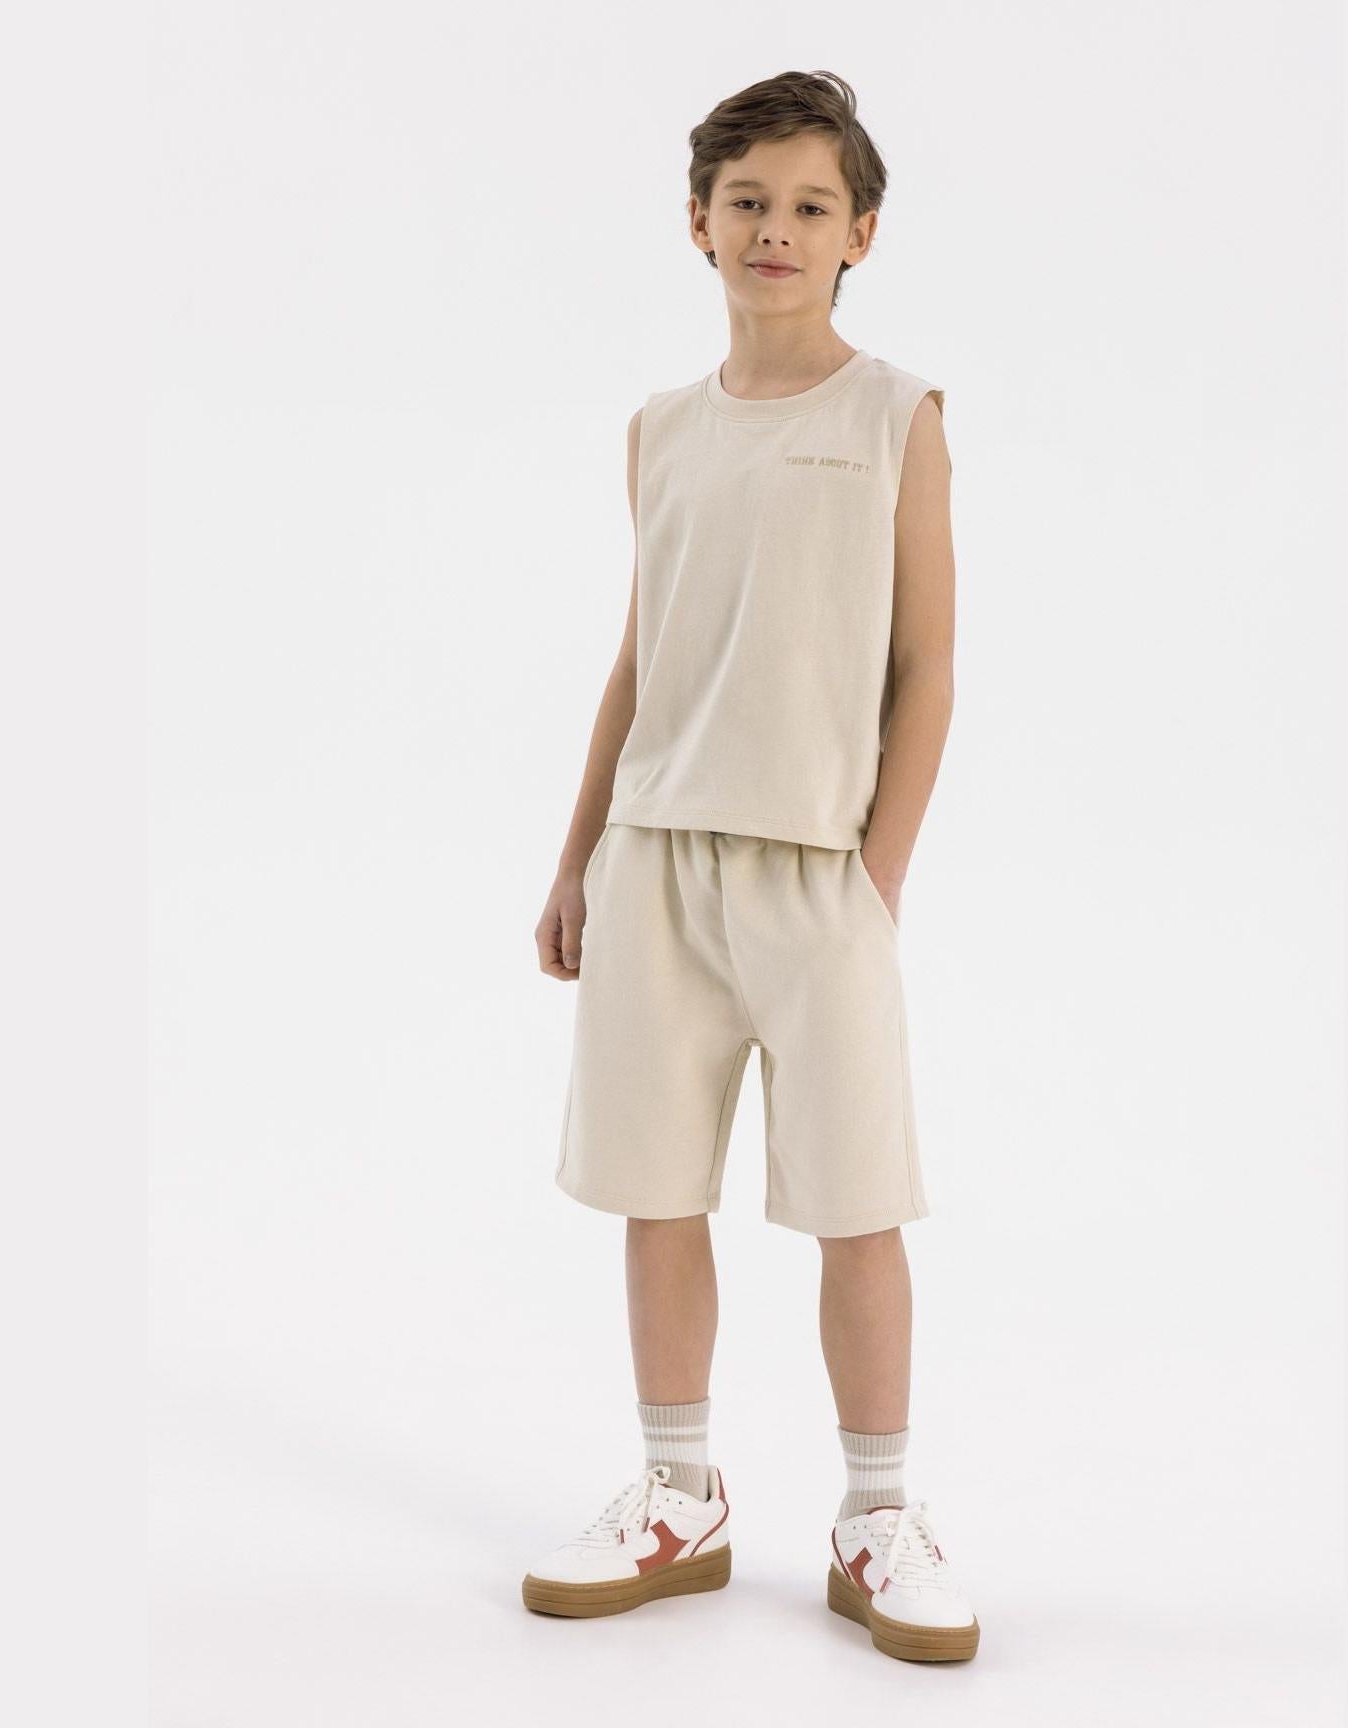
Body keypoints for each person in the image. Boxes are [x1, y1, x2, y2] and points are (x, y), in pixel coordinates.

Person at [523, 69, 976, 1663]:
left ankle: (875, 1513)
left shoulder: (895, 415)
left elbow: (926, 665)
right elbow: (639, 661)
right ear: (696, 222)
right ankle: (677, 1493)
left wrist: (878, 878)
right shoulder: (659, 430)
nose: (772, 231)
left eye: (806, 206)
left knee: (860, 1198)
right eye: (744, 203)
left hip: (818, 874)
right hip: (656, 862)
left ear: (861, 231)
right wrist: (579, 856)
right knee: (656, 1187)